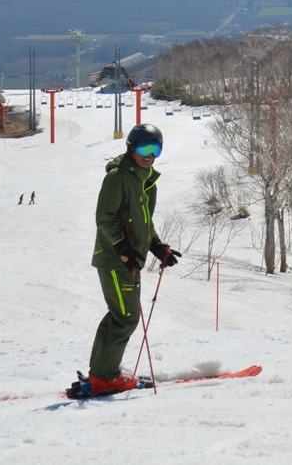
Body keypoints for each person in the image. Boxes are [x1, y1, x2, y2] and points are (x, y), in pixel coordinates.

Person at [82, 123, 181, 395]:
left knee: (120, 315)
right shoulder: (118, 177)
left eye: (155, 149)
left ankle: (102, 372)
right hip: (116, 260)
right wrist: (122, 248)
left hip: (128, 260)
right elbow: (105, 218)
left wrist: (157, 246)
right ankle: (105, 377)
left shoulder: (144, 178)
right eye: (144, 148)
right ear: (131, 147)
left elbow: (142, 222)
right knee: (126, 317)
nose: (149, 155)